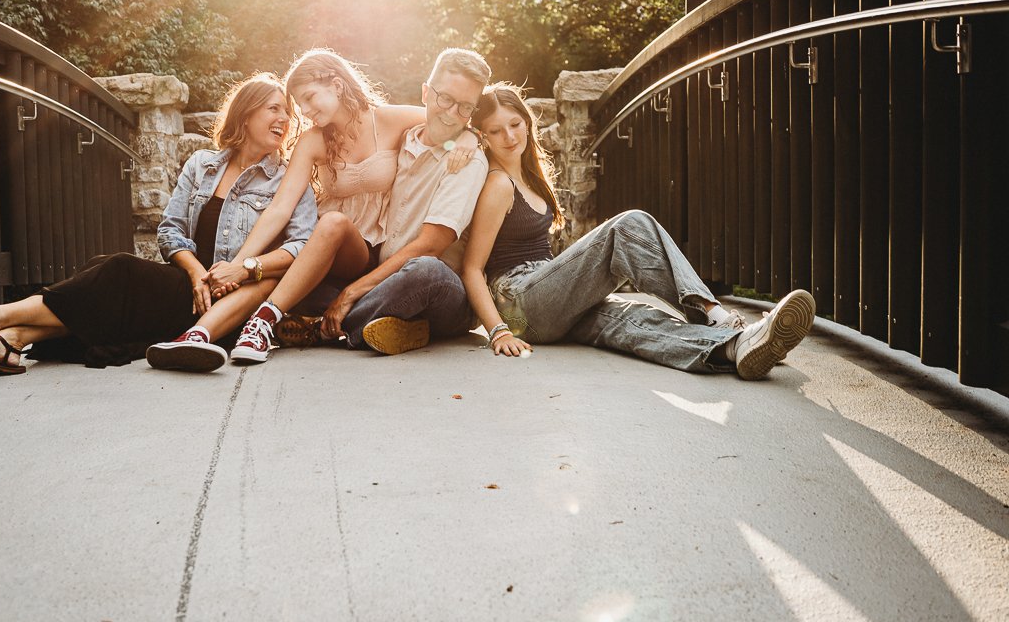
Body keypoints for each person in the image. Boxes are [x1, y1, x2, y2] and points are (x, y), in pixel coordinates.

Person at [0, 73, 317, 375]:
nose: (285, 118)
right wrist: (196, 273)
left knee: (118, 271)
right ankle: (11, 341)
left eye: (288, 111)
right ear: (246, 115)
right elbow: (171, 231)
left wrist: (244, 269)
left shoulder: (289, 179)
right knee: (102, 271)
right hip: (190, 288)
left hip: (229, 305)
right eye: (274, 108)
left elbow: (302, 246)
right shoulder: (203, 165)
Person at [461, 82, 815, 379]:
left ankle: (735, 348)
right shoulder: (498, 184)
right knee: (628, 225)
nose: (508, 136)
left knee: (630, 320)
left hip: (542, 302)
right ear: (484, 136)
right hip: (518, 301)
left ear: (527, 122)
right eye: (495, 130)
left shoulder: (532, 179)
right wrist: (498, 331)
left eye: (514, 124)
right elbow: (473, 268)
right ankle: (716, 317)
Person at [150, 48, 478, 367]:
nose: (304, 111)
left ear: (336, 85)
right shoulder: (313, 141)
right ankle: (244, 329)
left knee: (336, 234)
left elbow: (448, 125)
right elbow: (280, 209)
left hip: (372, 254)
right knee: (298, 250)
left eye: (308, 98)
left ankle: (308, 323)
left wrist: (467, 141)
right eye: (300, 104)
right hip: (327, 252)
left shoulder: (389, 119)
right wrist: (239, 264)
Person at [308, 47, 492, 355]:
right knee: (308, 278)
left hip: (440, 291)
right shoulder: (404, 137)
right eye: (444, 99)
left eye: (464, 108)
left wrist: (352, 292)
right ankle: (389, 326)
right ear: (425, 93)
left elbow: (431, 246)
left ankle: (322, 326)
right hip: (384, 282)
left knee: (425, 270)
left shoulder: (466, 161)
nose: (450, 114)